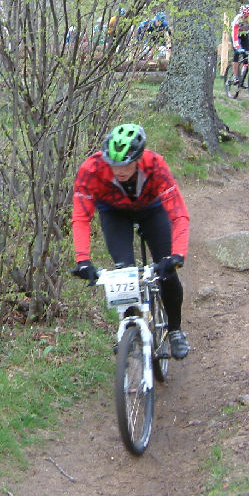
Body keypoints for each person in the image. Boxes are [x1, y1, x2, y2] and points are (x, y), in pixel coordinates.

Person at [71, 123, 191, 359]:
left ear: (138, 157)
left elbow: (178, 213)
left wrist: (177, 255)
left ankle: (175, 330)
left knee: (167, 271)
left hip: (152, 211)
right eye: (114, 164)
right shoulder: (91, 169)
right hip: (115, 214)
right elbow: (81, 216)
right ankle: (129, 330)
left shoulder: (155, 165)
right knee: (122, 274)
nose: (120, 170)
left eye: (126, 164)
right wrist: (83, 259)